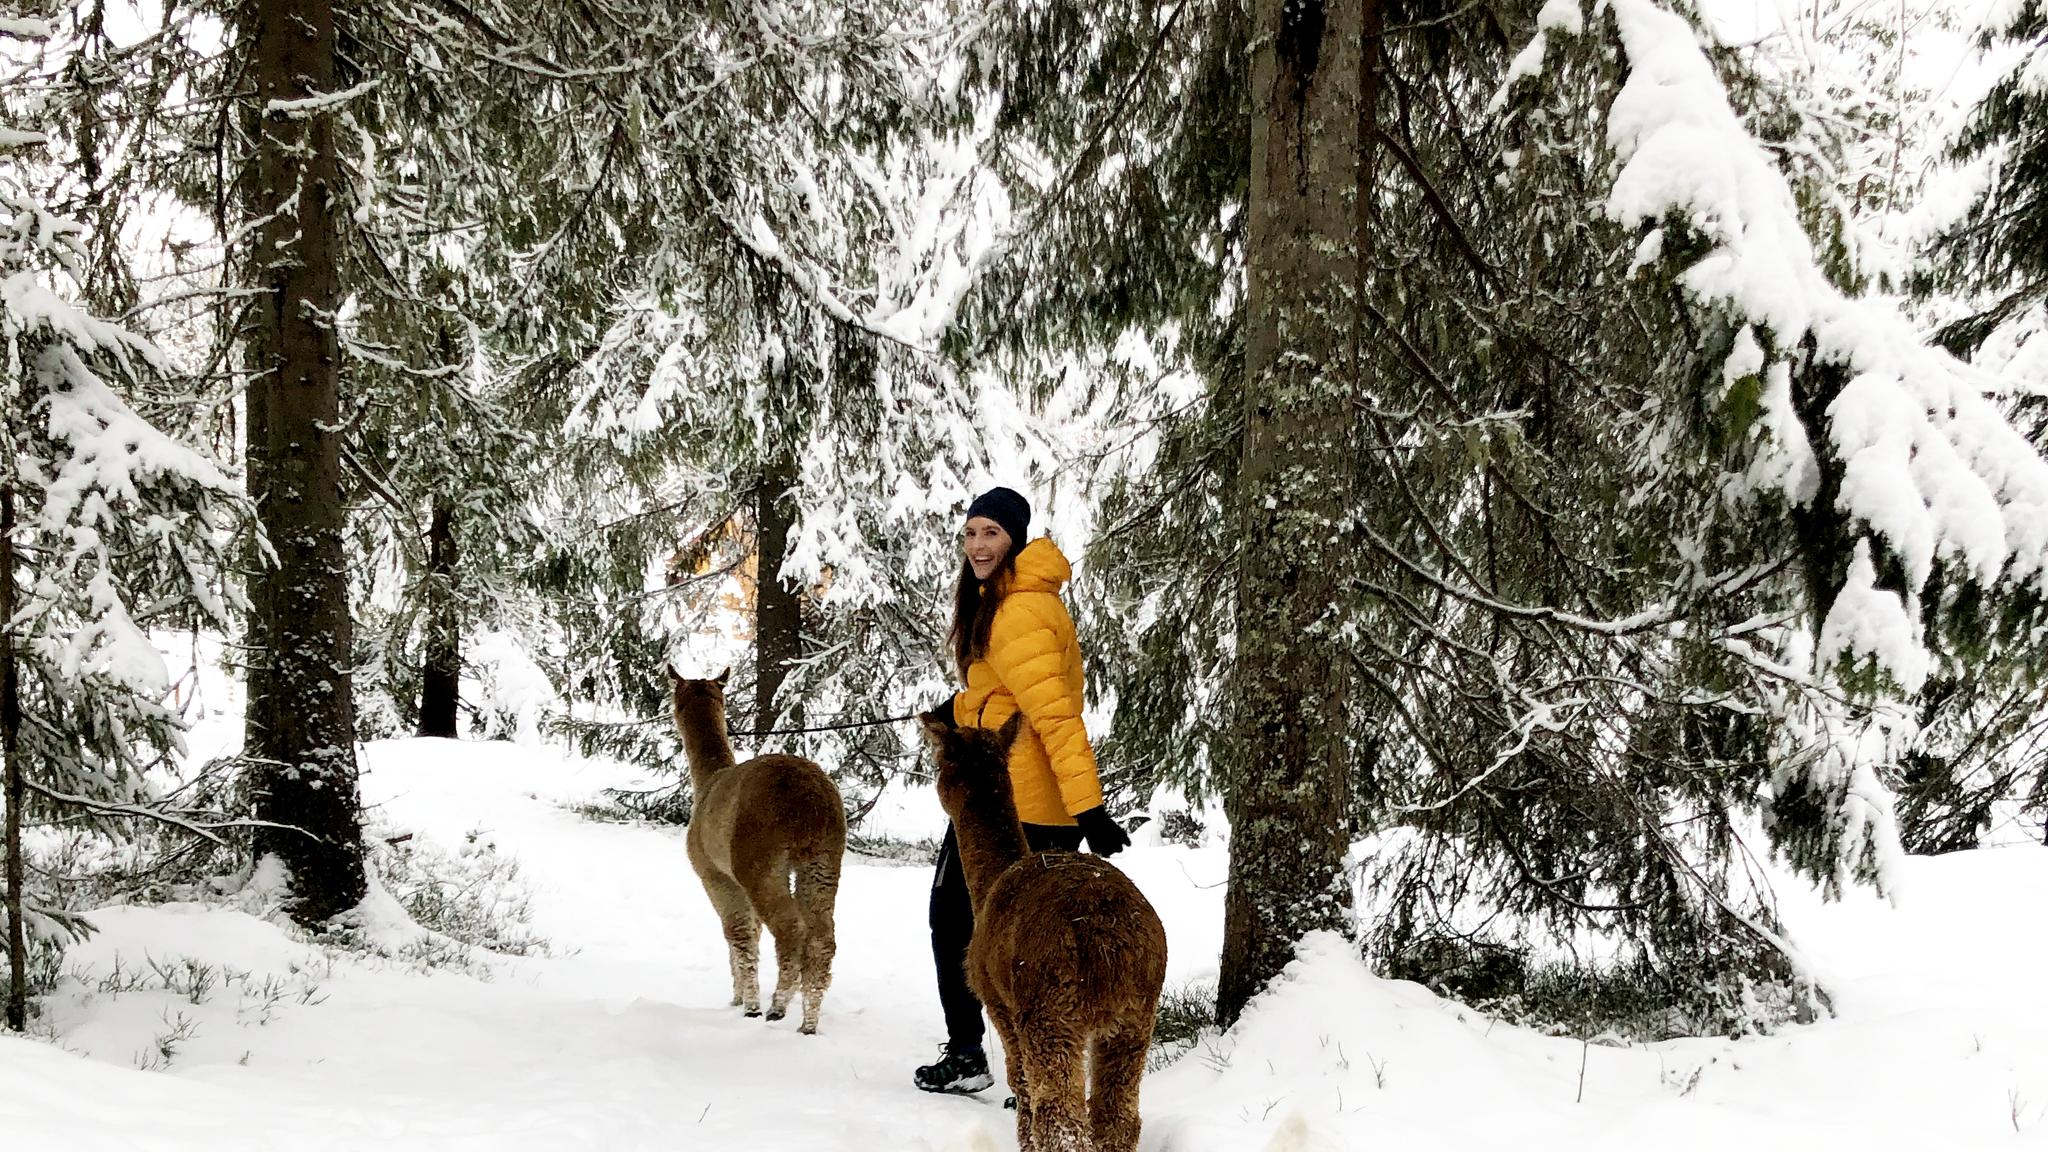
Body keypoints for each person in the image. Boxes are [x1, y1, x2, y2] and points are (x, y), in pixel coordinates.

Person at [913, 485, 1132, 1095]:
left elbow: (1057, 717)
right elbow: (1010, 694)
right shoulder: (1012, 599)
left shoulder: (1017, 611)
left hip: (1009, 808)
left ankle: (984, 1058)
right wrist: (959, 708)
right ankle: (1039, 1069)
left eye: (991, 534)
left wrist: (1089, 807)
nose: (978, 546)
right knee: (1033, 941)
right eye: (971, 533)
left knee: (960, 925)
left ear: (1014, 539)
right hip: (1021, 799)